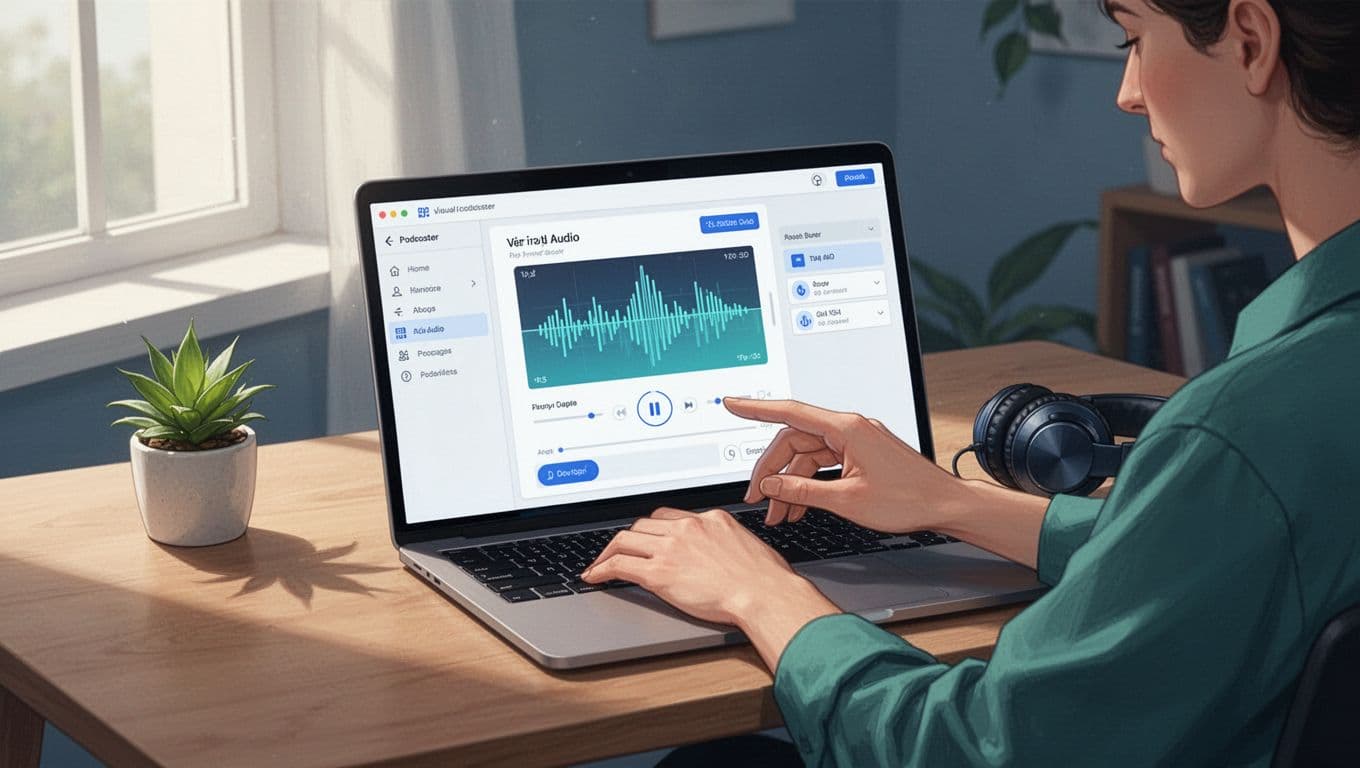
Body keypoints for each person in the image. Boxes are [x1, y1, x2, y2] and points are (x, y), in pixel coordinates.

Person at [581, 0, 1360, 764]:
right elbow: (1222, 548)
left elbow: (978, 748)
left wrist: (761, 592)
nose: (1127, 91)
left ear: (1252, 40)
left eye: (1133, 37)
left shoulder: (1238, 435)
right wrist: (948, 503)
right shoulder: (1280, 431)